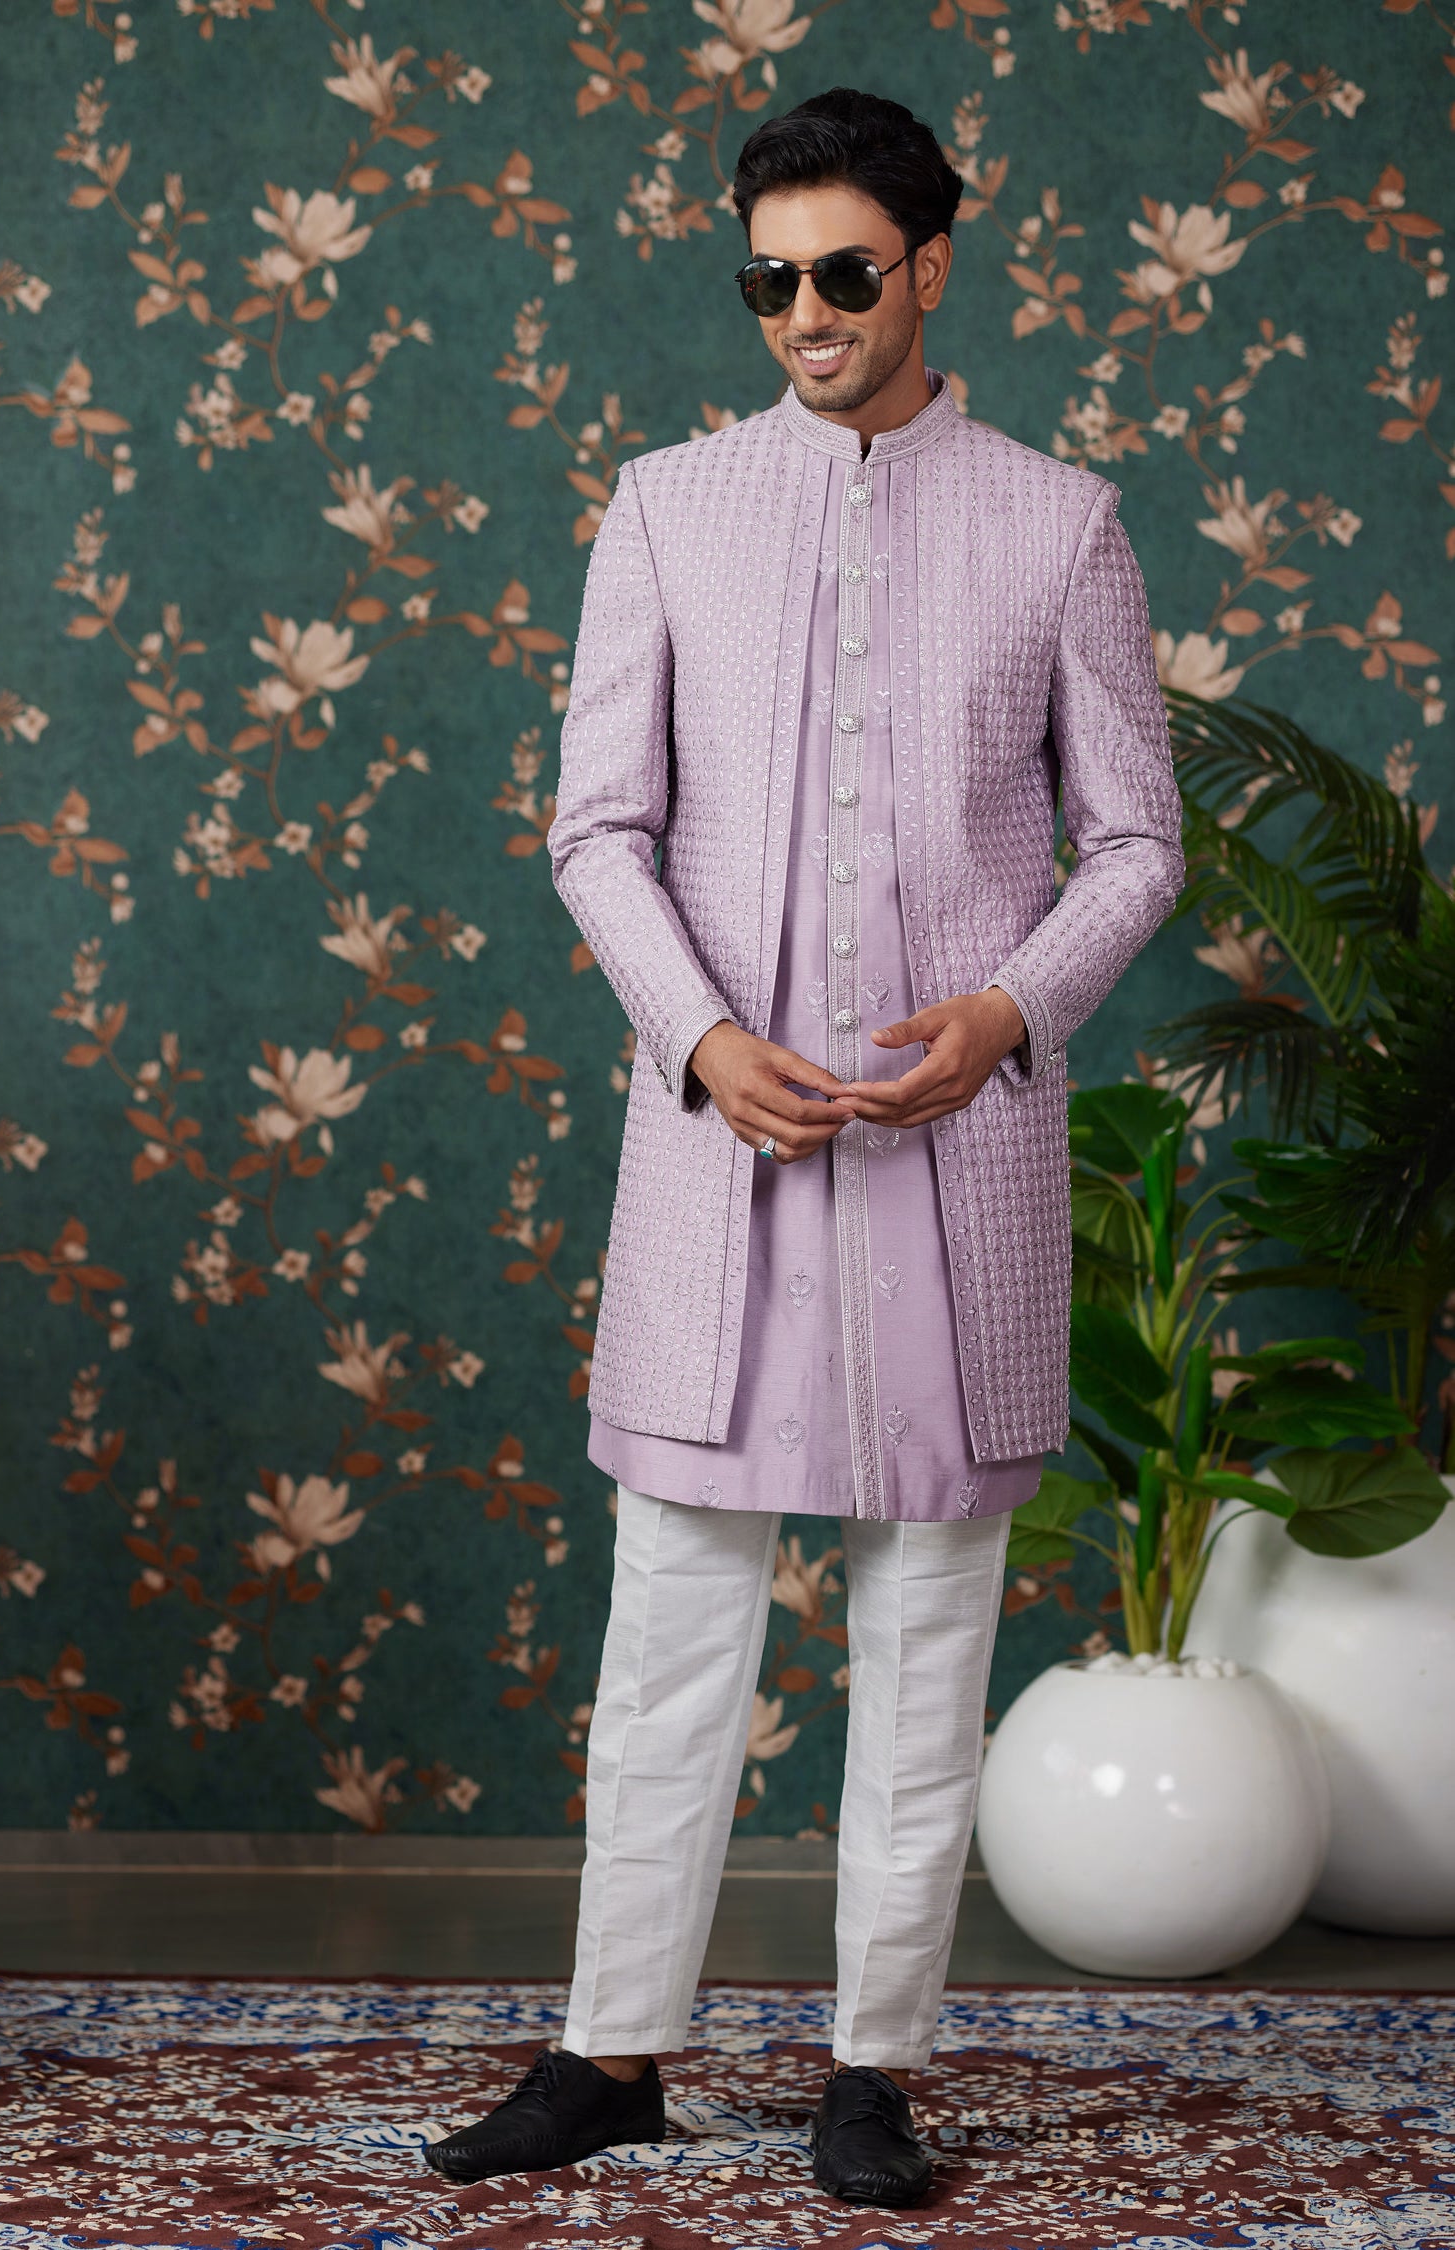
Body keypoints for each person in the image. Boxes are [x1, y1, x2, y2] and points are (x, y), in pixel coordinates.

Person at [424, 85, 1183, 2211]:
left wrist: (1005, 1015)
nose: (806, 314)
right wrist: (698, 1041)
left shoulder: (1060, 523)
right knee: (671, 1632)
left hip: (955, 1169)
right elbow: (598, 828)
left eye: (844, 272)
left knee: (926, 1641)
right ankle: (613, 2054)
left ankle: (875, 2072)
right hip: (721, 1160)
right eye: (767, 281)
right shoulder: (667, 507)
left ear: (931, 265)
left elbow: (1138, 840)